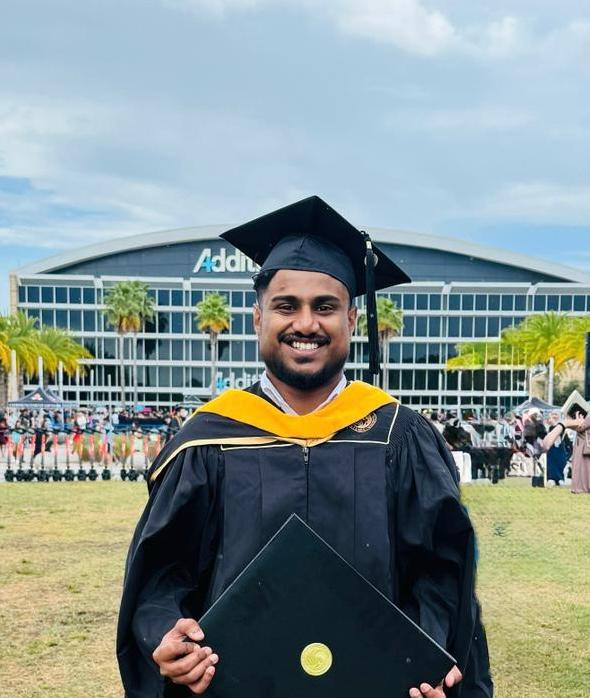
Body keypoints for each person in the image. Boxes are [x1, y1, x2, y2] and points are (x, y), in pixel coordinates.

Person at [117, 196, 492, 698]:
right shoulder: (208, 439)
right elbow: (163, 571)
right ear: (257, 318)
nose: (306, 324)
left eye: (326, 306)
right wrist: (163, 630)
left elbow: (440, 572)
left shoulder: (400, 437)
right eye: (286, 305)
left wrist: (427, 657)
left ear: (353, 320)